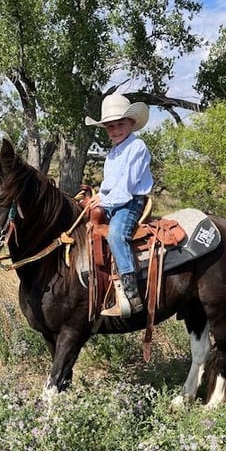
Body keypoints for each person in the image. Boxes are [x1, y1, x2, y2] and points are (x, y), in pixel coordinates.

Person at [85, 93, 153, 317]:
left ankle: (131, 292)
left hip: (130, 203)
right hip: (113, 201)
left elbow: (125, 187)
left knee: (115, 234)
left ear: (131, 123)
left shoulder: (137, 147)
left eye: (120, 124)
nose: (115, 130)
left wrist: (104, 199)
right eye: (110, 126)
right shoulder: (113, 152)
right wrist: (98, 197)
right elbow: (109, 184)